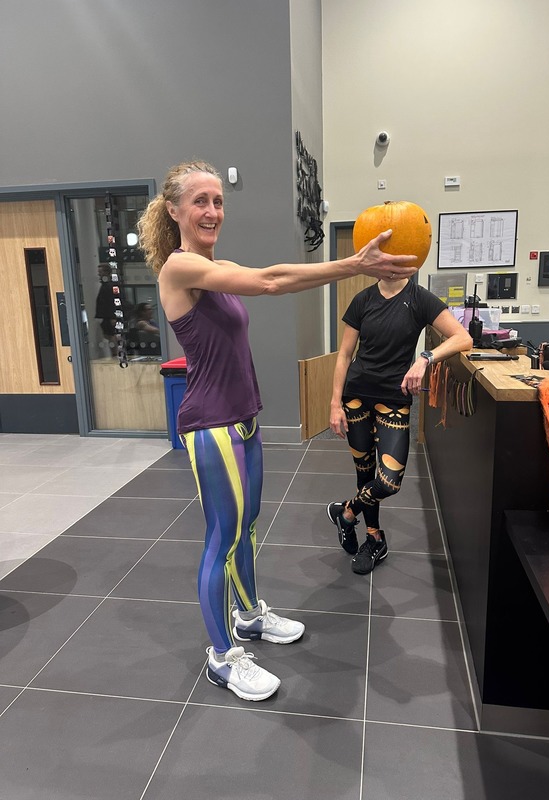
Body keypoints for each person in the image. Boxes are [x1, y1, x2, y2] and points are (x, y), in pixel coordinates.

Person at [137, 159, 418, 702]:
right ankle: (222, 657)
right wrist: (353, 264)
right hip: (211, 424)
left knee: (247, 528)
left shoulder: (214, 266)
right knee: (221, 538)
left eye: (218, 201)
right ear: (173, 210)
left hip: (244, 418)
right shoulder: (179, 268)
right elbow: (271, 282)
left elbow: (269, 277)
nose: (212, 211)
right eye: (200, 201)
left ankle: (248, 616)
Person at [327, 272, 472, 575]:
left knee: (388, 481)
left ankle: (347, 512)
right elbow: (345, 354)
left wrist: (425, 358)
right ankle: (374, 539)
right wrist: (334, 403)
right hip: (356, 396)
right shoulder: (362, 300)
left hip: (393, 399)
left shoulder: (420, 299)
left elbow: (463, 338)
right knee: (364, 473)